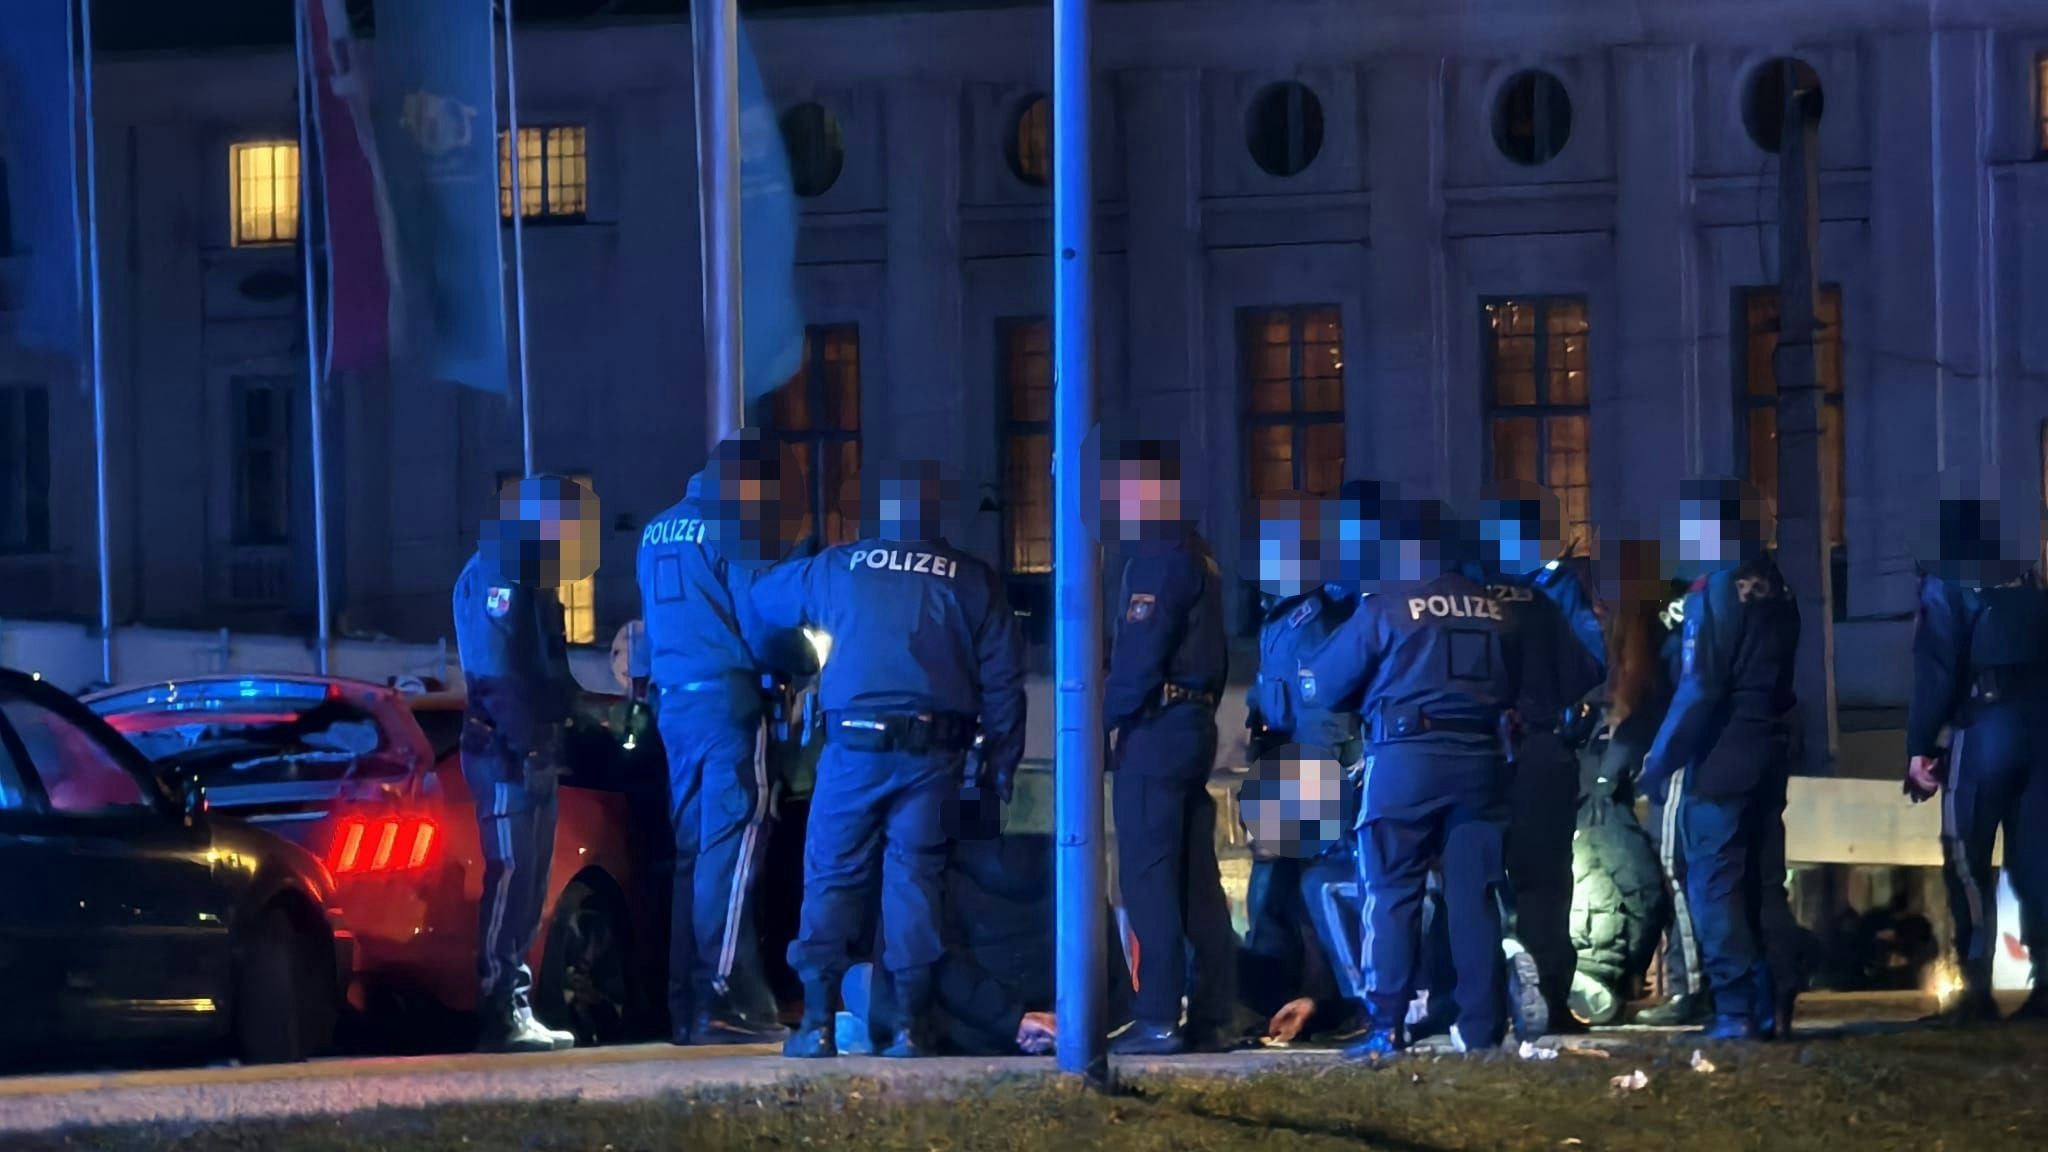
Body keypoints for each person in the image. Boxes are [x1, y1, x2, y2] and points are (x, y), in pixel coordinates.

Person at [751, 460, 1027, 1058]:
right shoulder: (971, 579)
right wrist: (998, 769)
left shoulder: (839, 568)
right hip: (935, 757)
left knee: (831, 878)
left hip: (854, 750)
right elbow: (1005, 683)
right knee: (915, 884)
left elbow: (764, 598)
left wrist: (806, 544)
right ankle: (909, 1027)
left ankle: (818, 1024)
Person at [1302, 492, 1522, 1057]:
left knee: (1391, 891)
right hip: (1482, 762)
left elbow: (1323, 684)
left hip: (1407, 761)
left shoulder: (1389, 605)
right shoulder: (1497, 608)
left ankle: (1386, 1028)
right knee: (1475, 899)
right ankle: (1482, 1030)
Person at [637, 432, 810, 1045]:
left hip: (674, 708)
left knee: (692, 858)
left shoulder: (658, 529)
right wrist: (808, 660)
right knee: (733, 852)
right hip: (729, 708)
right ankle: (728, 998)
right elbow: (763, 623)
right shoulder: (733, 525)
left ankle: (687, 1005)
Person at [1637, 477, 1802, 1042]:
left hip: (1722, 754)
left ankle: (1735, 1007)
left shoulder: (1715, 590)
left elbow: (1700, 685)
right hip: (1770, 745)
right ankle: (1777, 1001)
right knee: (1764, 880)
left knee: (1712, 880)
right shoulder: (1778, 587)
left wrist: (1661, 757)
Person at [451, 474, 594, 1053]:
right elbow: (500, 673)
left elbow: (544, 669)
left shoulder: (524, 572)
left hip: (529, 748)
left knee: (529, 881)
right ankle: (499, 1004)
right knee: (512, 876)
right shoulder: (499, 575)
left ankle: (515, 999)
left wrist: (580, 717)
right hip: (508, 754)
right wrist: (530, 744)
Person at [1102, 440, 1236, 1056]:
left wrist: (1108, 720)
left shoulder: (1157, 555)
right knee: (1194, 878)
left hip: (1157, 727)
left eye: (1124, 488)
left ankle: (1157, 1014)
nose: (1116, 501)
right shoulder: (1198, 554)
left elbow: (1138, 652)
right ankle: (1213, 1013)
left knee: (1150, 875)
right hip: (1193, 722)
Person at [1904, 492, 2048, 1023]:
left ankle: (1975, 985)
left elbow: (1937, 665)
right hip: (2042, 727)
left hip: (1985, 725)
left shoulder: (1949, 579)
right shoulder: (2028, 579)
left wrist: (1920, 746)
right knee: (2038, 860)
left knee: (1966, 856)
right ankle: (2047, 983)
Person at [1467, 486, 1606, 1034]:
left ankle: (1483, 1001)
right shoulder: (1552, 595)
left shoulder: (1464, 593)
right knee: (1546, 884)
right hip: (1542, 749)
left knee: (1473, 879)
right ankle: (1546, 998)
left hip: (1477, 753)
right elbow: (1590, 666)